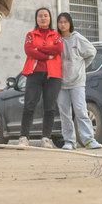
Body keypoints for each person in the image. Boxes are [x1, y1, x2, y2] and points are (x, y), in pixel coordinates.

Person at [56, 12, 102, 150]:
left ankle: (89, 140)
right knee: (65, 113)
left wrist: (80, 68)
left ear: (70, 23)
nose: (63, 24)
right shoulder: (56, 39)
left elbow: (91, 53)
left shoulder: (77, 38)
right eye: (60, 22)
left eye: (65, 22)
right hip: (61, 84)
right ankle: (69, 141)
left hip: (77, 83)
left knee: (81, 111)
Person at [18, 8, 63, 148]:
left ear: (50, 19)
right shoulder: (31, 35)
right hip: (34, 74)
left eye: (46, 16)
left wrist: (39, 50)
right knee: (29, 105)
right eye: (40, 16)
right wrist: (46, 56)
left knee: (49, 107)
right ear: (36, 19)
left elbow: (58, 49)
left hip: (53, 75)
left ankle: (46, 138)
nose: (43, 18)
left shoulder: (56, 35)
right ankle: (24, 137)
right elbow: (29, 50)